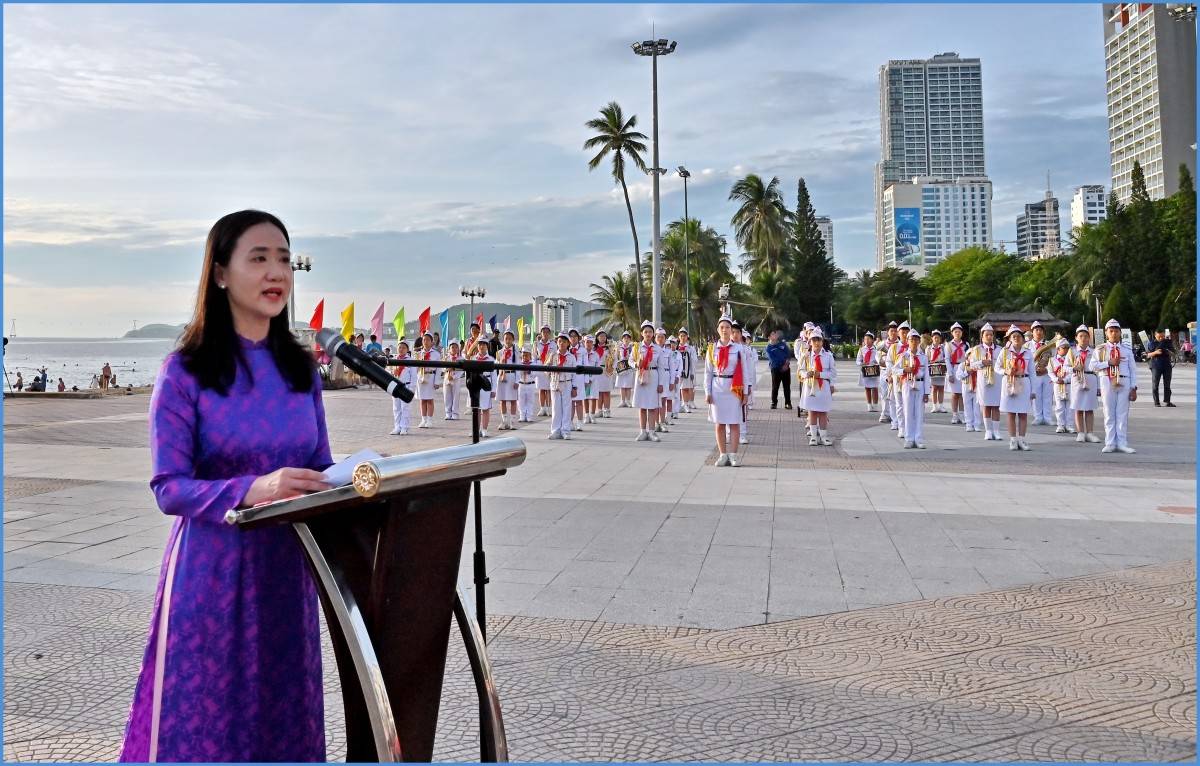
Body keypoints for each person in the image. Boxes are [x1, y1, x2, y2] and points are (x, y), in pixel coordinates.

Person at [120, 210, 330, 762]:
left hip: (288, 573)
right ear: (219, 274)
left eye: (284, 259)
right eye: (258, 258)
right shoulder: (184, 371)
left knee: (282, 719)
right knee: (209, 724)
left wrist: (364, 483)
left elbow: (321, 465)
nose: (276, 272)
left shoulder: (301, 371)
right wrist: (253, 488)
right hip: (212, 575)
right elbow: (169, 487)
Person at [1091, 318, 1138, 453]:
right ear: (1106, 333)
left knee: (1122, 414)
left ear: (1120, 333)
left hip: (1124, 381)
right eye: (1111, 331)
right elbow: (1092, 366)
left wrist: (1134, 388)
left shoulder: (1127, 350)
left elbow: (1133, 370)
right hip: (1106, 380)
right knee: (1109, 413)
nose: (1114, 334)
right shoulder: (1100, 349)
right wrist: (1108, 363)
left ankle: (1122, 443)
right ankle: (1110, 442)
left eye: (1116, 331)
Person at [704, 316, 744, 466]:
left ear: (731, 330)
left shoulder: (738, 348)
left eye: (727, 327)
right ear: (718, 330)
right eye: (722, 327)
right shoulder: (712, 349)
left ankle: (733, 455)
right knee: (719, 423)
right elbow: (708, 372)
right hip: (717, 387)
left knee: (734, 422)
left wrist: (745, 393)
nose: (725, 330)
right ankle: (722, 454)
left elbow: (744, 371)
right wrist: (707, 392)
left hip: (734, 388)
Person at [997, 325, 1035, 451]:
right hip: (1009, 382)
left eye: (1019, 336)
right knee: (1011, 413)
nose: (1016, 338)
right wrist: (1006, 371)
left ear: (1023, 339)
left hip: (1024, 381)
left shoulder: (1028, 352)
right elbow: (997, 367)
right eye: (1014, 336)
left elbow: (1032, 372)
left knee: (1023, 413)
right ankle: (1013, 440)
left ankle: (1022, 439)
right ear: (1009, 339)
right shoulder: (1005, 352)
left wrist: (1033, 390)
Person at [798, 327, 837, 446]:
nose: (816, 343)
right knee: (813, 411)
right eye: (814, 340)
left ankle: (824, 436)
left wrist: (821, 374)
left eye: (819, 340)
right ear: (810, 342)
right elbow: (800, 370)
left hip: (823, 386)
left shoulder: (828, 355)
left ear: (822, 341)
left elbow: (833, 373)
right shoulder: (806, 356)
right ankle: (814, 436)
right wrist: (806, 374)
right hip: (810, 386)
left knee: (823, 412)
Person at [967, 323, 1002, 440]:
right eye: (986, 335)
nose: (989, 337)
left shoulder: (1000, 350)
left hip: (997, 379)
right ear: (982, 337)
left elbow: (1004, 364)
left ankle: (996, 431)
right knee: (986, 405)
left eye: (991, 335)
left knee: (996, 406)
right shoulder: (977, 350)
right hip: (983, 379)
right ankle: (988, 431)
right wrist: (982, 362)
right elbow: (971, 365)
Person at [1068, 325, 1101, 444]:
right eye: (1081, 336)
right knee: (1078, 407)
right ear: (1076, 338)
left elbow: (1098, 369)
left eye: (1086, 336)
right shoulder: (1071, 352)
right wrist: (1073, 368)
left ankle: (1090, 433)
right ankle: (1080, 432)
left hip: (1091, 378)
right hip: (1077, 379)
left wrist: (1099, 387)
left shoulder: (1094, 352)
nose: (1083, 339)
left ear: (1089, 338)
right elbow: (1065, 368)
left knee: (1089, 408)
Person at [897, 329, 930, 449]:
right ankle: (909, 438)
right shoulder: (903, 356)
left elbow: (927, 376)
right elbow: (895, 370)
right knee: (908, 412)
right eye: (912, 340)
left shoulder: (924, 357)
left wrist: (927, 392)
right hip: (908, 384)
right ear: (908, 341)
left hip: (920, 384)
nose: (914, 342)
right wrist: (904, 370)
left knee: (919, 413)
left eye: (916, 340)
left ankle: (919, 438)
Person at [633, 320, 664, 442]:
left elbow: (661, 367)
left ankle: (652, 432)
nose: (648, 334)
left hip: (653, 376)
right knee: (642, 406)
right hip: (641, 375)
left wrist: (661, 384)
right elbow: (630, 360)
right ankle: (642, 431)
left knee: (651, 406)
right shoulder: (636, 347)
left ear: (653, 334)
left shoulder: (657, 348)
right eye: (645, 332)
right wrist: (635, 363)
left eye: (650, 332)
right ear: (642, 333)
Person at [547, 332, 577, 440]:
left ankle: (566, 430)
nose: (562, 344)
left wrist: (574, 387)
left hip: (567, 382)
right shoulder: (553, 355)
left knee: (566, 407)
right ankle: (555, 430)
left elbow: (575, 374)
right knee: (556, 407)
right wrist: (549, 370)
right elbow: (546, 369)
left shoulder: (571, 357)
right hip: (555, 382)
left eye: (564, 342)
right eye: (560, 341)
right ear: (557, 343)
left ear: (568, 343)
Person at [1046, 338, 1075, 434]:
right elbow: (1050, 372)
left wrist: (1066, 380)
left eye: (1067, 348)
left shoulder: (1071, 359)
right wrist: (1056, 379)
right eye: (1064, 348)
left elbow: (1073, 372)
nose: (1066, 350)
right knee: (1059, 406)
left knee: (1070, 406)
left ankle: (1069, 425)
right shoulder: (1052, 360)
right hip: (1057, 385)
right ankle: (1060, 425)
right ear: (1058, 349)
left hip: (1069, 385)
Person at [1027, 321, 1053, 426]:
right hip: (1034, 374)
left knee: (1048, 396)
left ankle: (1047, 417)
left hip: (1047, 373)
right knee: (1036, 395)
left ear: (1044, 332)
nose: (1038, 332)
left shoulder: (1050, 344)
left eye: (1041, 330)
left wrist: (1047, 369)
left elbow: (1055, 359)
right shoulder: (1027, 345)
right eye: (1036, 330)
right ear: (1032, 332)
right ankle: (1037, 417)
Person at [390, 340, 416, 435]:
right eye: (399, 347)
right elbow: (389, 373)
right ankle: (397, 426)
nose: (401, 349)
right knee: (396, 408)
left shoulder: (410, 360)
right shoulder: (393, 359)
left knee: (405, 408)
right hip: (395, 387)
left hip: (406, 386)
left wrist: (412, 389)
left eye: (403, 348)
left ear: (407, 350)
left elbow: (413, 376)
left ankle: (404, 427)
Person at [495, 330, 519, 430]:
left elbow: (518, 367)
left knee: (513, 400)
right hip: (502, 377)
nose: (508, 341)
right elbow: (496, 364)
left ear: (513, 339)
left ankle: (512, 422)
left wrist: (517, 381)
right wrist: (500, 361)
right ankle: (504, 421)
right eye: (506, 338)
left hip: (512, 375)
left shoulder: (516, 352)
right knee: (502, 400)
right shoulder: (499, 352)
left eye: (510, 338)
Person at [471, 336, 495, 437]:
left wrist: (493, 389)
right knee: (476, 408)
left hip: (486, 382)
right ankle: (476, 429)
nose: (482, 346)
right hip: (476, 383)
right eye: (480, 344)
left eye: (484, 344)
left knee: (485, 408)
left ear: (487, 346)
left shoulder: (491, 359)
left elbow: (494, 375)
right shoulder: (474, 359)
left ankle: (484, 429)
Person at [1146, 328, 1176, 407]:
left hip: (1167, 365)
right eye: (1159, 337)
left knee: (1167, 384)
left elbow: (1174, 354)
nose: (1161, 338)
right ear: (1155, 335)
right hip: (1155, 365)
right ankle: (1157, 402)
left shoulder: (1168, 342)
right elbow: (1147, 355)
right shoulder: (1151, 343)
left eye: (1162, 336)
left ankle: (1167, 401)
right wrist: (1155, 352)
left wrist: (1168, 351)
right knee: (1155, 384)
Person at [877, 321, 899, 425]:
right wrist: (882, 362)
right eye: (891, 331)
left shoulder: (900, 344)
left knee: (895, 394)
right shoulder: (882, 344)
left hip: (897, 372)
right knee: (885, 393)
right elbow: (878, 357)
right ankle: (885, 413)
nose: (893, 333)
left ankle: (895, 415)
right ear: (888, 332)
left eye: (895, 331)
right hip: (884, 371)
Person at [946, 323, 969, 424]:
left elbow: (969, 358)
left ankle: (963, 414)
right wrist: (950, 373)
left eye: (959, 331)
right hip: (954, 367)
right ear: (952, 333)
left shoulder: (966, 344)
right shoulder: (949, 345)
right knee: (955, 394)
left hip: (963, 368)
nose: (957, 333)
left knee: (963, 393)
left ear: (962, 333)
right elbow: (947, 359)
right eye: (955, 332)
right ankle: (955, 415)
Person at [765, 330, 793, 409]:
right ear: (769, 337)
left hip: (786, 368)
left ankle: (788, 403)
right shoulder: (768, 348)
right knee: (775, 387)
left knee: (787, 387)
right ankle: (774, 403)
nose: (775, 335)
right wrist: (782, 365)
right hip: (776, 369)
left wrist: (786, 363)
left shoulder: (782, 344)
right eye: (773, 334)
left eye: (775, 333)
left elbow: (788, 354)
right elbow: (773, 359)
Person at [855, 331, 880, 411]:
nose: (867, 341)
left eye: (868, 339)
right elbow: (858, 361)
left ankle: (875, 405)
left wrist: (877, 363)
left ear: (872, 340)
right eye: (865, 339)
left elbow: (880, 359)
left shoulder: (876, 349)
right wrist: (862, 363)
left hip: (874, 369)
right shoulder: (862, 350)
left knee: (875, 387)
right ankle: (869, 405)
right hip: (865, 369)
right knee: (867, 388)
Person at [926, 329, 948, 413]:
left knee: (941, 388)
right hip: (933, 369)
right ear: (932, 338)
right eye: (935, 337)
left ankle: (941, 406)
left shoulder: (943, 347)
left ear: (940, 338)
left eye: (938, 337)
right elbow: (926, 358)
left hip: (941, 368)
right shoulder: (928, 348)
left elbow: (946, 357)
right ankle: (934, 406)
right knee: (934, 388)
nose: (936, 339)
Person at [534, 324, 554, 416]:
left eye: (547, 332)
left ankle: (549, 408)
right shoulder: (536, 344)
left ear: (549, 333)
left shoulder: (553, 344)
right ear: (541, 333)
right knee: (541, 389)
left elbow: (555, 356)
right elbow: (534, 356)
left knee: (549, 389)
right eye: (543, 332)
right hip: (540, 367)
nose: (545, 334)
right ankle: (542, 408)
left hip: (549, 368)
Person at [442, 339, 465, 420]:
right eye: (452, 347)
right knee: (447, 396)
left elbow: (461, 371)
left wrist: (454, 376)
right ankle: (448, 413)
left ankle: (455, 413)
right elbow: (442, 369)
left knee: (456, 396)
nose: (454, 349)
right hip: (447, 379)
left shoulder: (461, 359)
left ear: (458, 348)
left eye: (456, 347)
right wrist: (446, 369)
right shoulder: (446, 357)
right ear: (449, 348)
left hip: (456, 380)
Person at [678, 328, 699, 414]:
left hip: (687, 371)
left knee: (685, 388)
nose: (683, 338)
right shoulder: (676, 347)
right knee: (678, 389)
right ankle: (679, 404)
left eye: (684, 336)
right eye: (681, 336)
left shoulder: (690, 348)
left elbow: (694, 360)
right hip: (678, 372)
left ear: (687, 337)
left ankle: (686, 403)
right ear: (679, 337)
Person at [594, 330, 614, 417]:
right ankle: (599, 410)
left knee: (606, 392)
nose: (602, 338)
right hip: (597, 371)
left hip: (606, 370)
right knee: (598, 392)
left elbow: (615, 359)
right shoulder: (594, 349)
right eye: (600, 336)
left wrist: (612, 367)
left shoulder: (609, 348)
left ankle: (607, 410)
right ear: (597, 338)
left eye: (604, 336)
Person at [516, 346, 538, 422]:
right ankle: (522, 415)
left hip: (530, 384)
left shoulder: (533, 364)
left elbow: (535, 374)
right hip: (521, 384)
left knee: (530, 400)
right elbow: (518, 374)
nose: (525, 357)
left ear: (530, 355)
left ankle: (529, 416)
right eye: (523, 355)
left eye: (526, 355)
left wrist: (529, 371)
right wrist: (522, 370)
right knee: (520, 401)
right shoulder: (519, 364)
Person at [615, 330, 636, 407]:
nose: (626, 339)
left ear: (630, 339)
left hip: (629, 366)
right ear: (622, 339)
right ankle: (622, 401)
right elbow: (616, 356)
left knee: (628, 385)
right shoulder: (619, 347)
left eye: (628, 338)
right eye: (624, 338)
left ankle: (628, 400)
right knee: (622, 385)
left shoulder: (632, 347)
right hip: (621, 365)